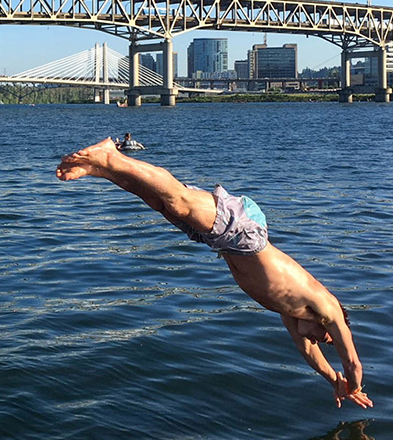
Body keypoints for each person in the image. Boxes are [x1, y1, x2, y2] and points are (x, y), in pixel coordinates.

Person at [56, 139, 372, 408]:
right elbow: (354, 362)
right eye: (325, 337)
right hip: (246, 234)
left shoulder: (289, 311)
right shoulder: (326, 306)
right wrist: (354, 386)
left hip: (224, 242)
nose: (320, 340)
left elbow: (308, 354)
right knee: (177, 199)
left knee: (160, 203)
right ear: (330, 321)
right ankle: (112, 156)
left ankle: (100, 168)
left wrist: (334, 381)